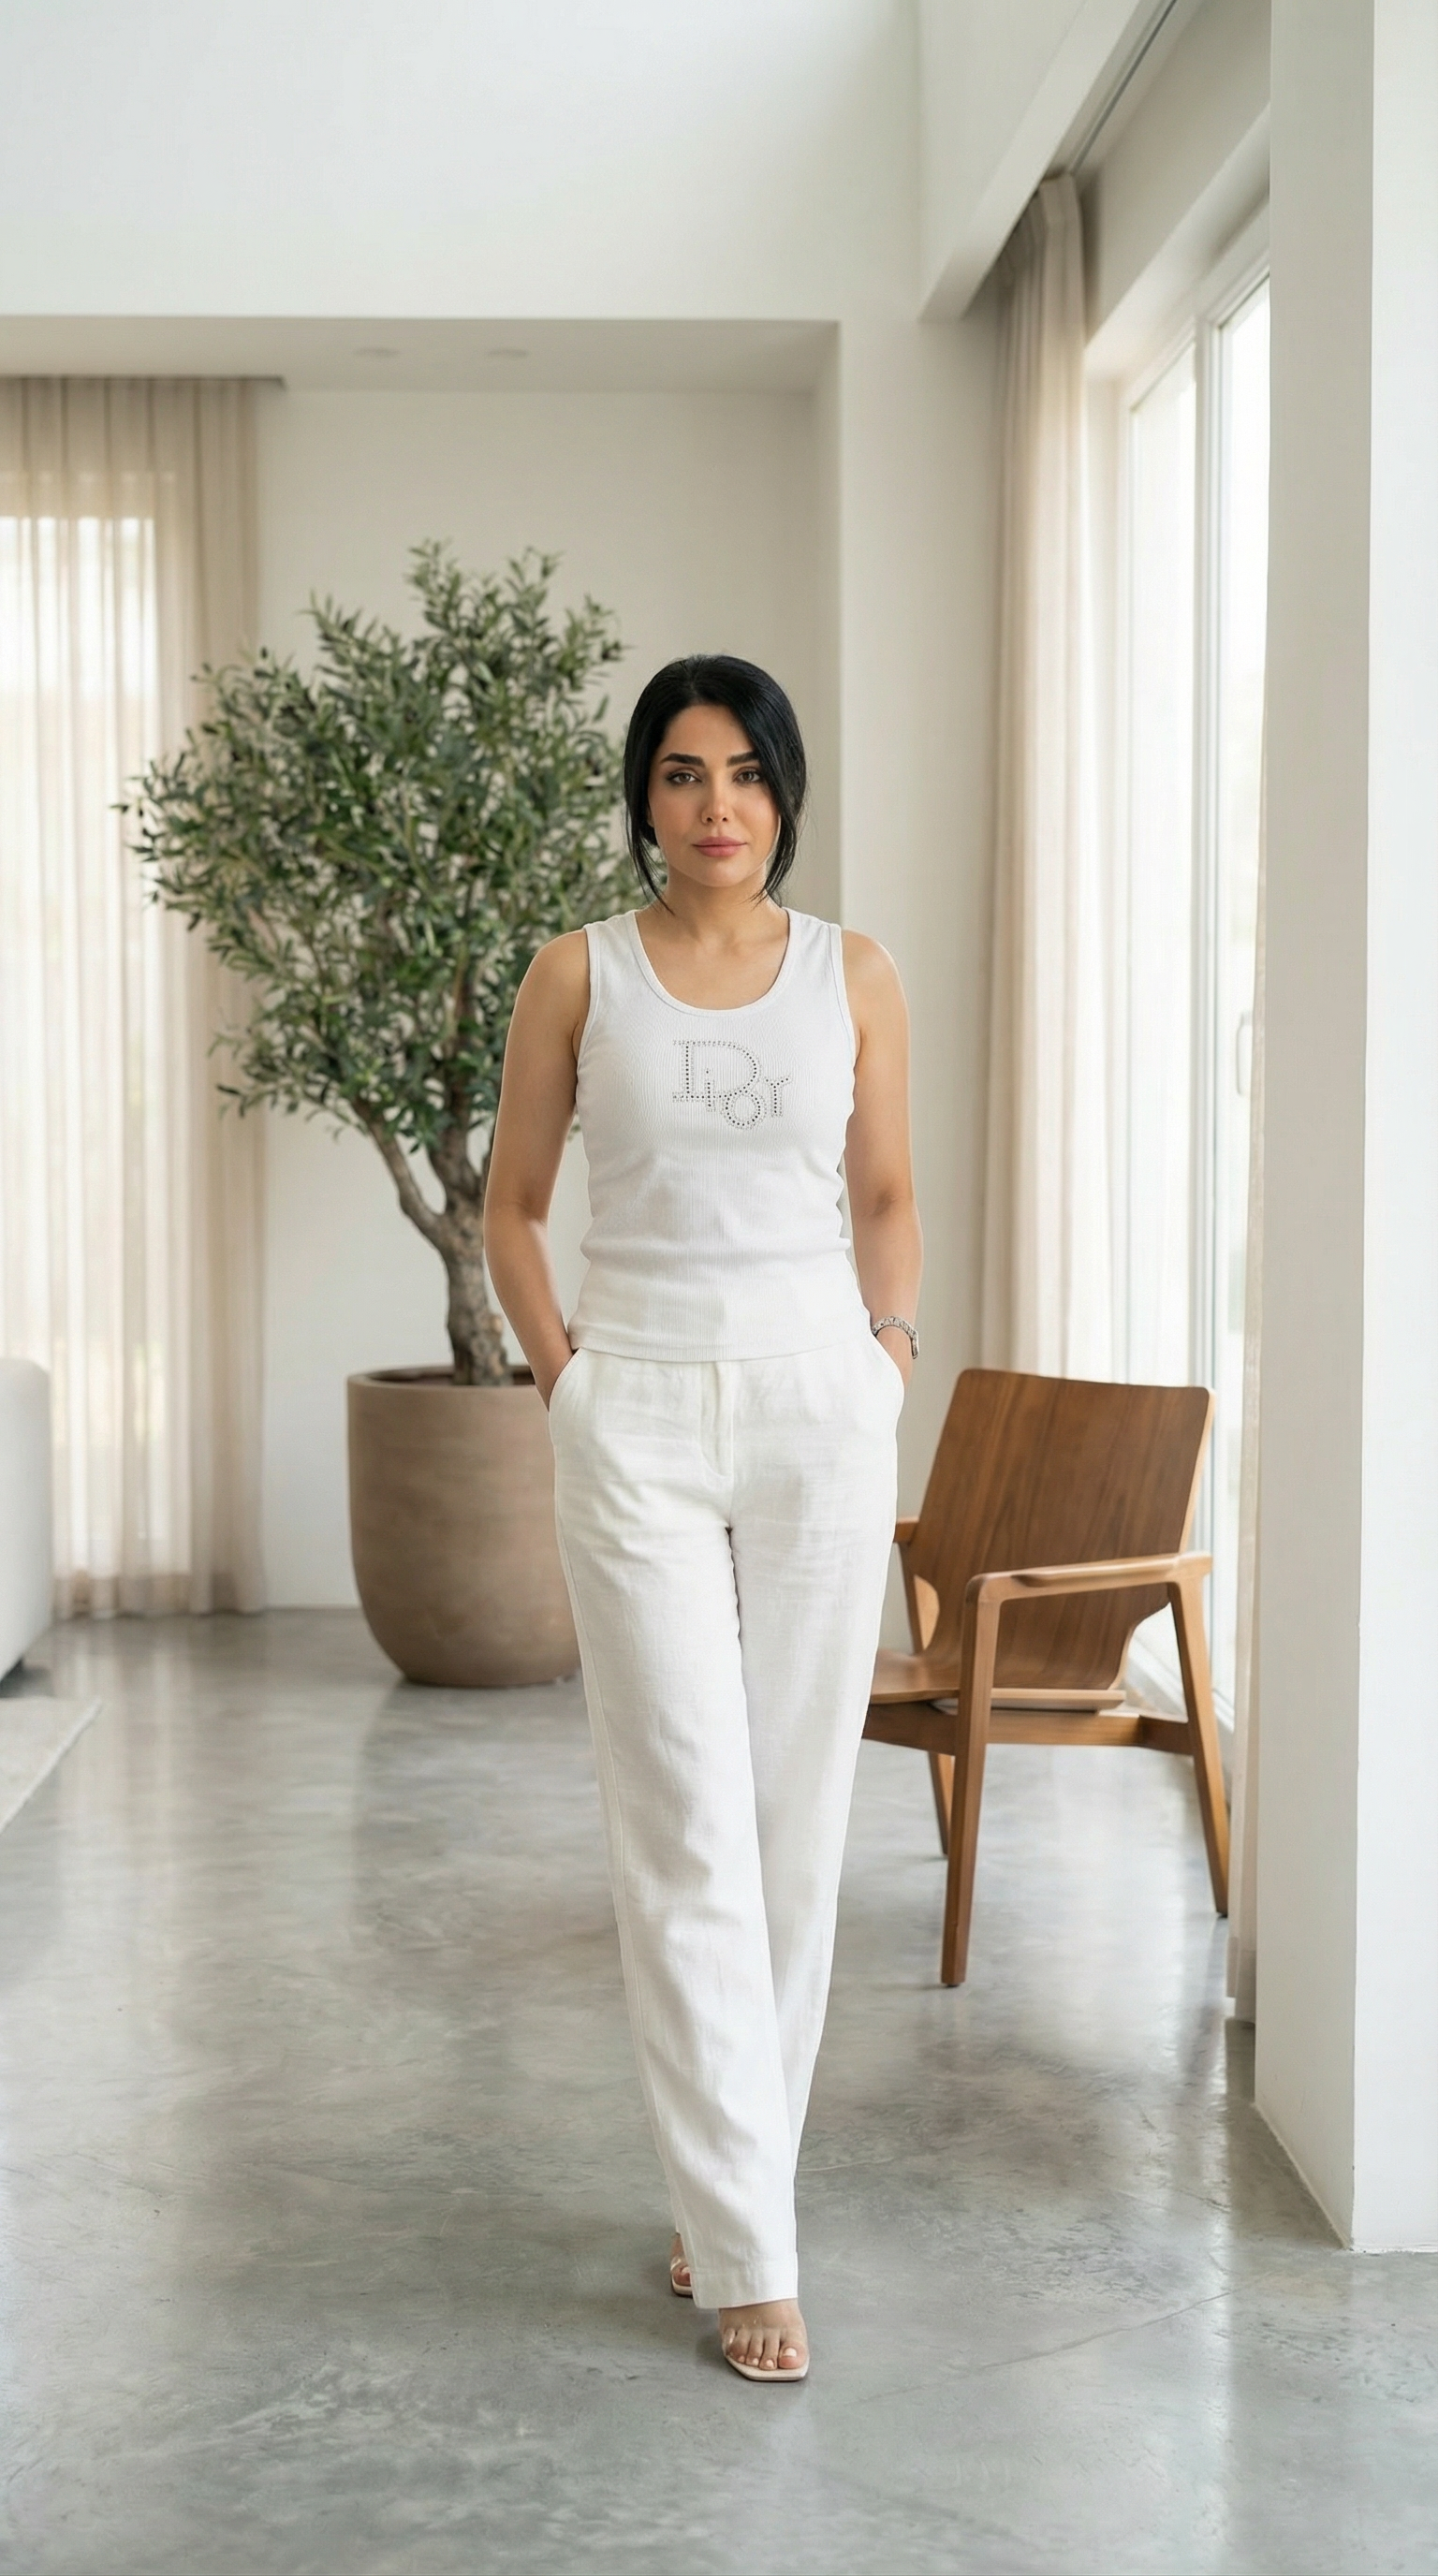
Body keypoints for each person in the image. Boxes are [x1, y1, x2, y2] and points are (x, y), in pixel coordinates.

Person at [484, 655, 921, 2384]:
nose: (715, 805)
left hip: (822, 1404)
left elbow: (885, 1190)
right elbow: (516, 1208)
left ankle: (733, 2197)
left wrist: (889, 1353)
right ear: (644, 798)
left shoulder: (852, 973)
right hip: (640, 1412)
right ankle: (750, 2246)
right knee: (682, 1822)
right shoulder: (576, 973)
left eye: (744, 772)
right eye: (681, 773)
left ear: (785, 792)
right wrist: (568, 1384)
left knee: (794, 1825)